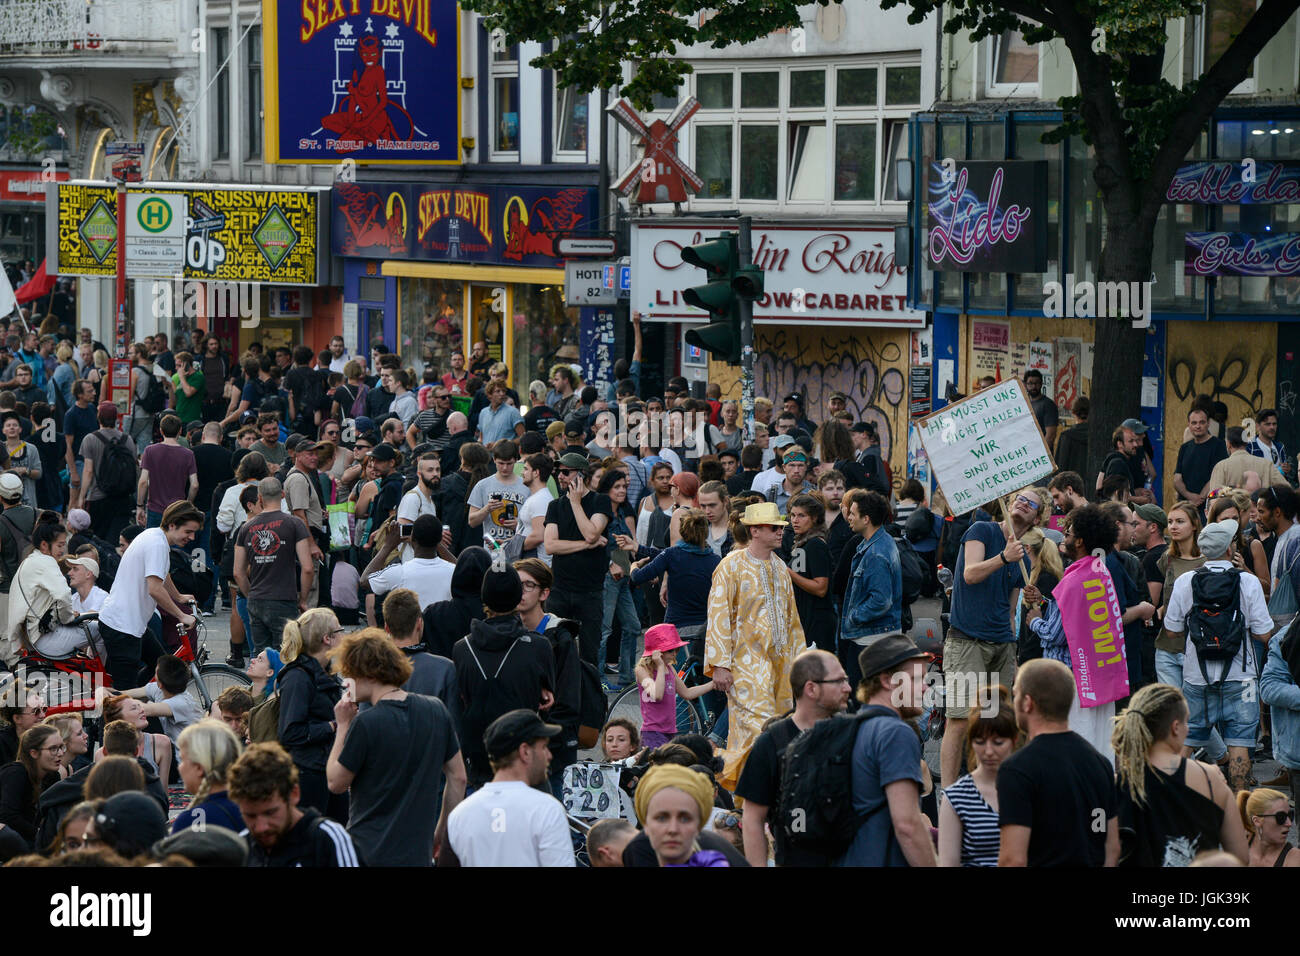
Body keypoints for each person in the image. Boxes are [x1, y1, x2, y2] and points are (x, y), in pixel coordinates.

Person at [326, 628, 466, 866]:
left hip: (368, 852)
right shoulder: (436, 710)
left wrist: (342, 726)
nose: (347, 682)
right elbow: (459, 777)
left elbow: (336, 783)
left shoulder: (365, 723)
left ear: (369, 674)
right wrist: (441, 831)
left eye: (350, 674)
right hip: (418, 852)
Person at [1163, 517, 1273, 793]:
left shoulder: (1186, 581)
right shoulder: (1247, 582)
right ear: (1229, 549)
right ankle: (1239, 808)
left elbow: (1173, 631)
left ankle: (1170, 797)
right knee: (1240, 743)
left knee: (1187, 740)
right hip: (1241, 677)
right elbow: (1264, 634)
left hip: (1196, 675)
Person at [704, 501, 805, 790]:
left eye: (780, 527)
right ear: (755, 531)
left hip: (782, 665)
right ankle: (747, 795)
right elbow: (718, 615)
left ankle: (763, 797)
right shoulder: (731, 565)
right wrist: (720, 664)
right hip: (745, 663)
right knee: (758, 729)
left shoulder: (779, 566)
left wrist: (800, 664)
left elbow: (792, 619)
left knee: (781, 727)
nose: (780, 532)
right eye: (774, 528)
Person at [941, 492, 1037, 788]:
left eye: (1032, 503)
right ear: (1008, 505)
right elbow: (970, 574)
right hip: (967, 641)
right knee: (959, 720)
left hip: (1001, 645)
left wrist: (1032, 603)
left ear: (1038, 518)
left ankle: (989, 787)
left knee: (995, 721)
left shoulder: (1024, 557)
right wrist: (1003, 558)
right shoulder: (982, 530)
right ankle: (947, 793)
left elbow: (1010, 610)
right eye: (1020, 498)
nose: (1023, 503)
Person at [997, 659, 1119, 867]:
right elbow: (1112, 848)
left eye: (1015, 694)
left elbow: (1012, 859)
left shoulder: (1017, 769)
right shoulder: (1100, 764)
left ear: (1028, 703)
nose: (1013, 703)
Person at [1111, 683, 1248, 866]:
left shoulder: (1116, 783)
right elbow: (1240, 857)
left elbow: (1108, 853)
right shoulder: (1210, 778)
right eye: (1186, 722)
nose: (1188, 729)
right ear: (1175, 727)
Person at [736, 649, 849, 866]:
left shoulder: (852, 733)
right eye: (839, 681)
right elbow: (752, 818)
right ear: (811, 688)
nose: (847, 687)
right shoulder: (771, 742)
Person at [452, 564, 556, 787]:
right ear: (517, 596)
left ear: (484, 598)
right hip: (524, 762)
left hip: (478, 763)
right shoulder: (539, 646)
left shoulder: (461, 649)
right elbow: (547, 702)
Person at [839, 635, 937, 866]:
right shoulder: (896, 733)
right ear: (886, 681)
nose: (925, 687)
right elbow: (907, 825)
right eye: (916, 679)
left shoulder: (853, 728)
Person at [446, 709, 574, 866]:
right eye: (544, 747)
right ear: (525, 751)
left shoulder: (460, 814)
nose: (549, 755)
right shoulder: (547, 810)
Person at [97, 501, 201, 690]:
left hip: (132, 623)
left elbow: (162, 572)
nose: (192, 537)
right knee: (125, 693)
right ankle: (124, 707)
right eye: (188, 531)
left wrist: (178, 596)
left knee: (161, 668)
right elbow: (154, 588)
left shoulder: (156, 537)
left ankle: (142, 699)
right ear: (172, 525)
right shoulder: (156, 544)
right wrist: (181, 615)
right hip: (122, 626)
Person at [228, 742, 361, 866]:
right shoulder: (241, 848)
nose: (261, 827)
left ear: (294, 794)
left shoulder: (328, 840)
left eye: (270, 813)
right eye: (251, 816)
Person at [277, 607, 348, 822]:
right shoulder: (298, 677)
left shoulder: (325, 672)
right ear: (328, 639)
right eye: (340, 630)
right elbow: (290, 733)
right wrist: (334, 726)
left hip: (327, 769)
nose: (344, 635)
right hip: (308, 775)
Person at [543, 453, 612, 666]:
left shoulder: (600, 501)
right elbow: (550, 545)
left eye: (565, 472)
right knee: (554, 649)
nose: (560, 477)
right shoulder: (555, 506)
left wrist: (575, 503)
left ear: (581, 476)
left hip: (590, 591)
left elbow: (591, 532)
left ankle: (589, 695)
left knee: (589, 654)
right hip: (560, 589)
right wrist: (585, 545)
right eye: (558, 472)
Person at [233, 477, 314, 656]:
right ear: (283, 495)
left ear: (260, 498)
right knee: (286, 654)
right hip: (284, 598)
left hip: (256, 599)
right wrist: (303, 600)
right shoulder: (294, 524)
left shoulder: (246, 528)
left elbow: (238, 573)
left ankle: (262, 684)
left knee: (262, 657)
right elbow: (308, 568)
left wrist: (251, 595)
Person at [938, 691, 1019, 867]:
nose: (988, 751)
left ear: (1014, 740)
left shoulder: (1030, 788)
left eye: (998, 742)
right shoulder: (956, 797)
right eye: (980, 742)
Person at [629, 509, 720, 663]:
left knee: (677, 679)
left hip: (676, 630)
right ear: (706, 532)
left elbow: (638, 577)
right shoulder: (715, 560)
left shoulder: (672, 555)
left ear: (682, 532)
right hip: (706, 631)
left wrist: (634, 566)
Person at [840, 490, 902, 686]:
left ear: (866, 519)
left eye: (853, 513)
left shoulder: (876, 553)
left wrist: (853, 617)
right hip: (875, 636)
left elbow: (880, 600)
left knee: (864, 699)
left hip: (872, 639)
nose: (848, 517)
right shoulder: (876, 543)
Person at [634, 624, 714, 749]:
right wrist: (660, 666)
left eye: (677, 649)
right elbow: (657, 695)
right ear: (656, 652)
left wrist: (712, 684)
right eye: (671, 650)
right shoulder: (643, 670)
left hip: (670, 731)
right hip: (653, 731)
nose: (675, 654)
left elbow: (687, 693)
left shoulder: (669, 668)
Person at [632, 763, 728, 867]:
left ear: (699, 824)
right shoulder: (635, 851)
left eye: (685, 819)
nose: (673, 829)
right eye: (662, 818)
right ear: (646, 824)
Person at [363, 515, 455, 611]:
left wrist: (388, 546)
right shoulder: (452, 571)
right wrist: (436, 541)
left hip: (410, 625)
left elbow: (364, 581)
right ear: (440, 538)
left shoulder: (399, 572)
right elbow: (462, 571)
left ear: (413, 539)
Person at [172, 719, 245, 835]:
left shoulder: (190, 821)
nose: (179, 767)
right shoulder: (253, 809)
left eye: (182, 760)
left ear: (199, 768)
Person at [0, 724, 62, 847]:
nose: (60, 753)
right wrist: (40, 834)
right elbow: (8, 817)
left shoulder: (52, 776)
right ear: (34, 753)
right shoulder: (16, 773)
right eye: (53, 749)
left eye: (61, 747)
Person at [136, 414, 198, 528]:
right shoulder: (188, 454)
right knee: (176, 544)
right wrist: (188, 504)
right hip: (177, 510)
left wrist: (140, 506)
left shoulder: (150, 451)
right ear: (180, 431)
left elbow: (143, 481)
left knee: (154, 543)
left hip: (155, 508)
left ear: (161, 431)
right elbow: (194, 485)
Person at [468, 439, 527, 547]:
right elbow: (472, 521)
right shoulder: (482, 485)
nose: (505, 468)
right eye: (501, 463)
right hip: (493, 549)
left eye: (509, 463)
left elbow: (537, 525)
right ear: (494, 459)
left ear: (516, 460)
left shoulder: (526, 486)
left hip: (517, 551)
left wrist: (518, 525)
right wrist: (487, 509)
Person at [1174, 407, 1229, 507]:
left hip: (1208, 506)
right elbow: (1177, 478)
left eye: (1202, 422)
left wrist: (1200, 498)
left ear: (1208, 424)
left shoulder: (1219, 446)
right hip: (1186, 505)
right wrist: (1190, 496)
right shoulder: (1184, 447)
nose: (1198, 426)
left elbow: (1217, 476)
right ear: (1189, 425)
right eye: (1194, 423)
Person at [1237, 787, 1299, 867]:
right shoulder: (1237, 848)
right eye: (1281, 817)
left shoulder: (1295, 859)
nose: (1289, 823)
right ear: (1257, 821)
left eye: (1290, 815)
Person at [514, 453, 554, 564]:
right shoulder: (536, 497)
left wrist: (512, 547)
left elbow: (538, 536)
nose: (522, 473)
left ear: (536, 473)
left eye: (526, 469)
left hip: (536, 563)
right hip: (530, 560)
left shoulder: (541, 499)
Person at [1247, 408, 1291, 484]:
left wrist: (1286, 469)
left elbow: (1284, 475)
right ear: (1258, 426)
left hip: (1279, 492)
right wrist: (1277, 471)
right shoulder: (1250, 447)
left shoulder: (1280, 447)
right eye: (1267, 424)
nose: (1272, 427)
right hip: (1259, 493)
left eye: (1274, 424)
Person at [1023, 369, 1059, 449]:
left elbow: (1050, 436)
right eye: (1030, 383)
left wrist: (1041, 456)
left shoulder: (1048, 405)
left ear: (1041, 384)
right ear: (1025, 385)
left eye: (1037, 383)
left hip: (1040, 456)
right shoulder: (1024, 404)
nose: (1034, 386)